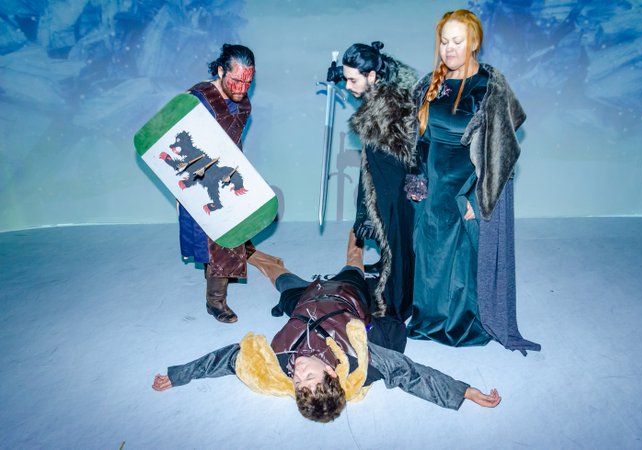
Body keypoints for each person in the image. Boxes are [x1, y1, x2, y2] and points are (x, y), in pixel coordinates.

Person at [152, 231, 501, 423]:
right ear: (332, 374)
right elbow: (408, 373)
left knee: (277, 276)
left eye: (297, 382)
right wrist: (463, 392)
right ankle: (361, 214)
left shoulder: (276, 362)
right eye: (309, 377)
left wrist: (180, 375)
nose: (298, 373)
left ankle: (258, 257)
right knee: (354, 257)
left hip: (304, 300)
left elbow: (228, 358)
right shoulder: (356, 358)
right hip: (346, 292)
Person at [406, 10, 540, 354]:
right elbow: (418, 138)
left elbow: (500, 151)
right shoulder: (429, 84)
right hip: (432, 186)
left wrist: (478, 198)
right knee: (430, 255)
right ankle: (428, 319)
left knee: (461, 263)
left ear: (475, 42)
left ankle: (460, 325)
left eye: (458, 41)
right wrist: (417, 178)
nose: (449, 49)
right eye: (444, 41)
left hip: (465, 190)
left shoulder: (489, 87)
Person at [169, 43, 280, 324]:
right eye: (236, 80)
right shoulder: (196, 99)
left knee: (228, 236)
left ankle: (217, 293)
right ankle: (215, 302)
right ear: (220, 71)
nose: (242, 88)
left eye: (248, 82)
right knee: (213, 241)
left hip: (224, 173)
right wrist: (181, 190)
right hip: (197, 176)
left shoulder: (243, 102)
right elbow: (175, 144)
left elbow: (232, 144)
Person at [336, 41, 418, 321]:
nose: (348, 86)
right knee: (391, 244)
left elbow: (409, 154)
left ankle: (395, 307)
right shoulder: (381, 92)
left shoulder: (392, 105)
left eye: (353, 80)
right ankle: (392, 283)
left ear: (372, 76)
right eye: (346, 78)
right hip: (384, 183)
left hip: (396, 188)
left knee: (398, 243)